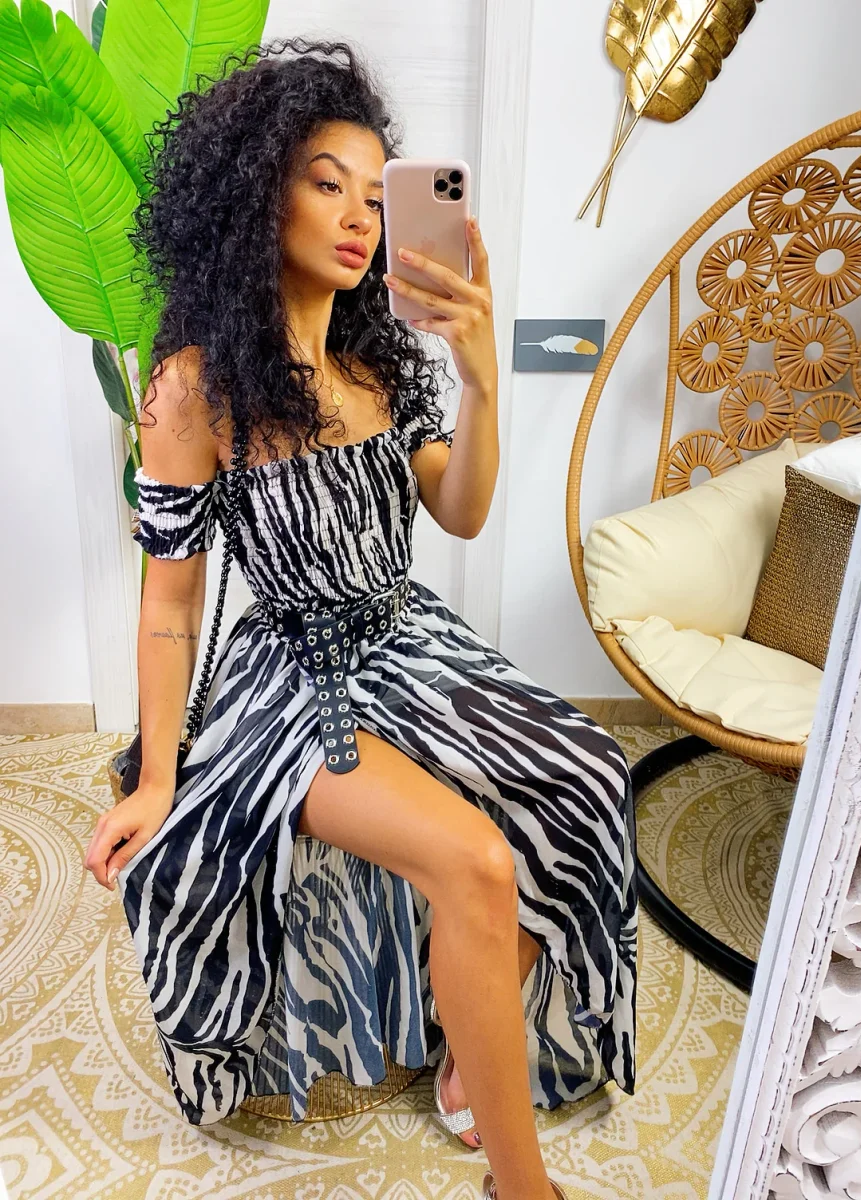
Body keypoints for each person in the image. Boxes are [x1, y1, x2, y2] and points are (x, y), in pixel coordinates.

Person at [83, 36, 636, 1200]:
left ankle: (471, 1034)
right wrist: (155, 774)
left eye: (378, 196)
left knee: (589, 769)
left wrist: (481, 377)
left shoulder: (381, 366)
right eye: (326, 181)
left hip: (406, 637)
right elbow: (172, 598)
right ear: (256, 192)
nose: (359, 217)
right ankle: (524, 1187)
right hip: (296, 681)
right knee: (475, 858)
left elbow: (463, 512)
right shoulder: (193, 388)